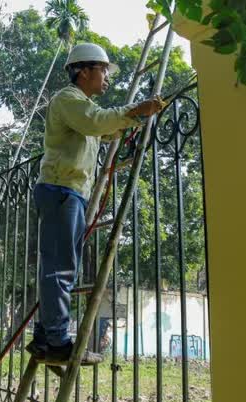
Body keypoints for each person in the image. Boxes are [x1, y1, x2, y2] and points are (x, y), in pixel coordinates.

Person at [28, 43, 163, 364]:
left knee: (58, 267)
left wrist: (132, 119)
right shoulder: (69, 100)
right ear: (83, 71)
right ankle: (58, 342)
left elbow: (103, 130)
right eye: (103, 70)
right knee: (61, 269)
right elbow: (96, 121)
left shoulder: (81, 108)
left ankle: (45, 339)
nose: (107, 78)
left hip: (66, 191)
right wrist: (134, 110)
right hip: (62, 190)